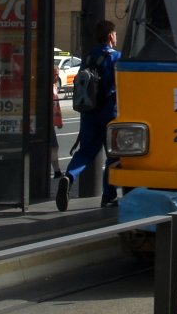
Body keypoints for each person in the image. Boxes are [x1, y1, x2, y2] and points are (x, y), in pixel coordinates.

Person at [56, 20, 120, 211]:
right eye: (115, 34)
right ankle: (109, 196)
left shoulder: (88, 57)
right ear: (110, 36)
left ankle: (69, 176)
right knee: (114, 155)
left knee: (85, 152)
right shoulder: (116, 57)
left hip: (89, 114)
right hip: (110, 113)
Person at [50, 66, 63, 179]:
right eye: (55, 74)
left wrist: (59, 121)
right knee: (54, 147)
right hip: (46, 123)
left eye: (58, 74)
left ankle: (57, 171)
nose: (57, 76)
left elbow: (56, 106)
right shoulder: (47, 86)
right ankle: (57, 171)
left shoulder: (53, 86)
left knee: (53, 147)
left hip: (50, 122)